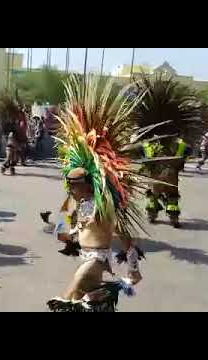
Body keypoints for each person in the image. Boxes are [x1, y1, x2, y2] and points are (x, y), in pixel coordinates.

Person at [47, 76, 147, 312]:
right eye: (69, 185)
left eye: (75, 186)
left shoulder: (104, 205)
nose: (71, 190)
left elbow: (124, 236)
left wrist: (134, 268)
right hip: (87, 258)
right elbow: (76, 230)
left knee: (67, 301)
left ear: (88, 184)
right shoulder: (82, 204)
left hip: (96, 260)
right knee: (87, 305)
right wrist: (67, 231)